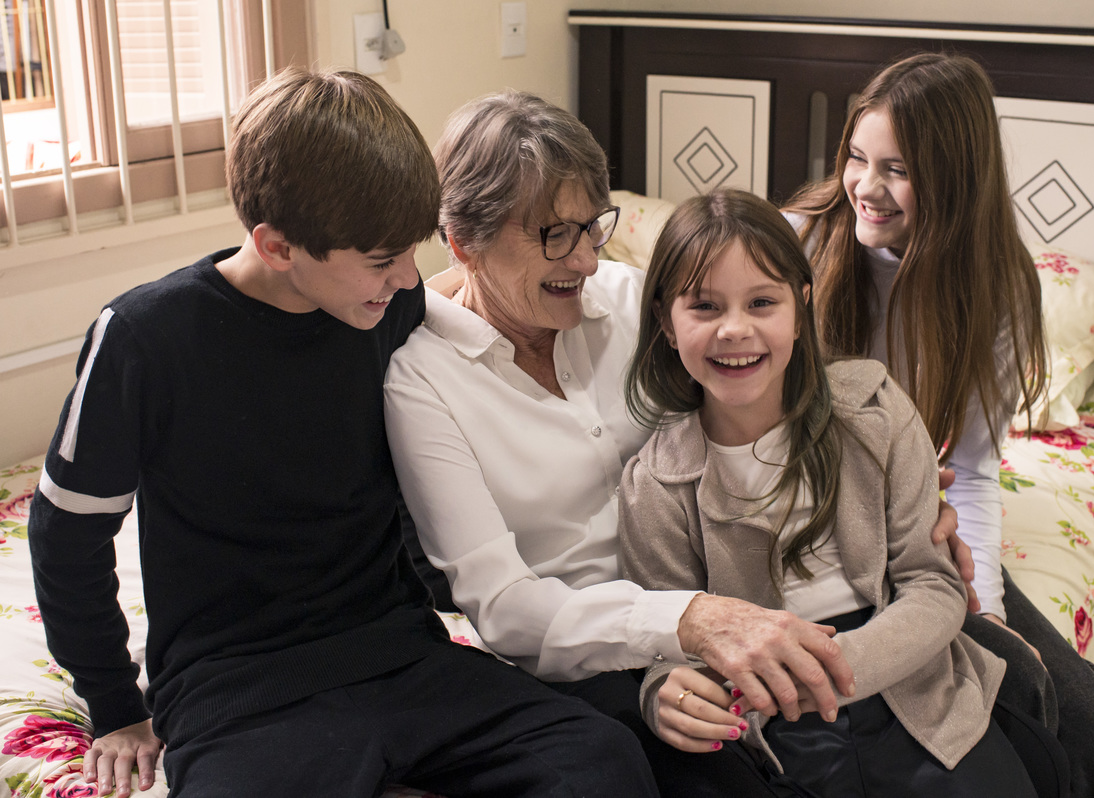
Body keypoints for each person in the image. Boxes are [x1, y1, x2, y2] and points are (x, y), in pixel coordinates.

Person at [27, 67, 658, 798]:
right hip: (236, 690)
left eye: (412, 251)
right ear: (277, 246)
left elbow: (464, 317)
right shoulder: (144, 338)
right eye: (381, 260)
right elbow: (64, 534)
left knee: (601, 761)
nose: (407, 277)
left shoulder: (387, 307)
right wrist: (113, 707)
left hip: (403, 657)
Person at [383, 89, 966, 796]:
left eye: (592, 226)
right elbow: (501, 606)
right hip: (596, 662)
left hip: (742, 607)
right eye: (552, 235)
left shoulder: (641, 303)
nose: (587, 261)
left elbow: (787, 376)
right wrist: (685, 626)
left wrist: (901, 499)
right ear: (463, 241)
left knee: (1073, 714)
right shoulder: (422, 381)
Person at [782, 51, 1094, 798]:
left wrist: (991, 612)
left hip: (913, 522)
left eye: (897, 169)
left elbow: (972, 465)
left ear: (955, 178)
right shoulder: (798, 244)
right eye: (855, 157)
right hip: (803, 521)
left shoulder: (996, 291)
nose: (865, 188)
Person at [619, 186, 1039, 797]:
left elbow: (934, 584)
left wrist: (832, 671)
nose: (735, 330)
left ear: (802, 306)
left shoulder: (875, 412)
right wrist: (663, 693)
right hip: (772, 722)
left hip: (905, 677)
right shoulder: (654, 485)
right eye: (704, 307)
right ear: (664, 319)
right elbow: (668, 642)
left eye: (762, 301)